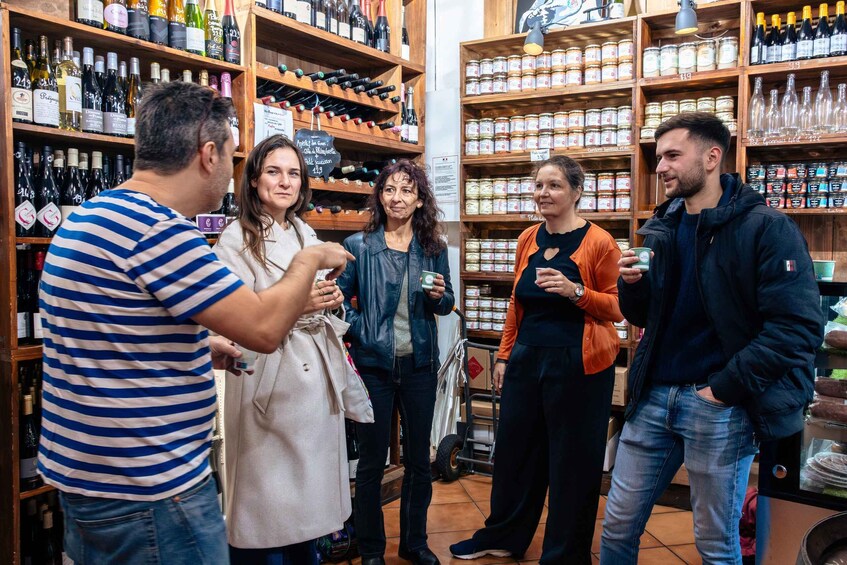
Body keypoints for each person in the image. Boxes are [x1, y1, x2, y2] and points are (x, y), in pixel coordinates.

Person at [36, 82, 351, 565]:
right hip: (153, 491)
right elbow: (264, 330)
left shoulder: (87, 218)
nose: (230, 172)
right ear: (208, 155)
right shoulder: (161, 233)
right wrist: (309, 260)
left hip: (85, 484)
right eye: (231, 156)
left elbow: (109, 337)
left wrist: (198, 349)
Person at [600, 112, 823, 564]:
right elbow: (641, 317)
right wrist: (632, 285)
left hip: (721, 406)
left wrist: (721, 389)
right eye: (658, 157)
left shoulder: (766, 228)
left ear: (711, 157)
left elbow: (797, 328)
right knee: (617, 525)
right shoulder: (661, 227)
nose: (660, 167)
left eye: (672, 155)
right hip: (654, 397)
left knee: (715, 543)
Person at [449, 155, 623, 564]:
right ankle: (503, 536)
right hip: (527, 360)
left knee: (572, 464)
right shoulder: (528, 237)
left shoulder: (600, 242)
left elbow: (618, 308)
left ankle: (565, 554)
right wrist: (504, 356)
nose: (544, 193)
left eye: (554, 185)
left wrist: (575, 291)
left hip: (580, 365)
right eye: (539, 185)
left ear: (577, 192)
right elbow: (516, 302)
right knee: (516, 454)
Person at [213, 134, 350, 565]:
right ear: (254, 179)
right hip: (268, 381)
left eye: (293, 173)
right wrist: (298, 306)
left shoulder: (304, 231)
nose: (285, 182)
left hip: (312, 384)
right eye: (274, 171)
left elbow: (314, 293)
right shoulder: (236, 238)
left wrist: (329, 301)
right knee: (268, 509)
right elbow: (233, 317)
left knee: (307, 511)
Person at [337, 160, 454, 565]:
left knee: (419, 461)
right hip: (373, 367)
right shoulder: (358, 246)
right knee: (371, 463)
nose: (397, 198)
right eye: (389, 189)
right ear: (380, 197)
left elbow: (448, 303)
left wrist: (440, 297)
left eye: (406, 190)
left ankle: (414, 543)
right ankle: (371, 549)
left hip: (420, 365)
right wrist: (363, 330)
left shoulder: (433, 248)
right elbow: (338, 302)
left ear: (420, 200)